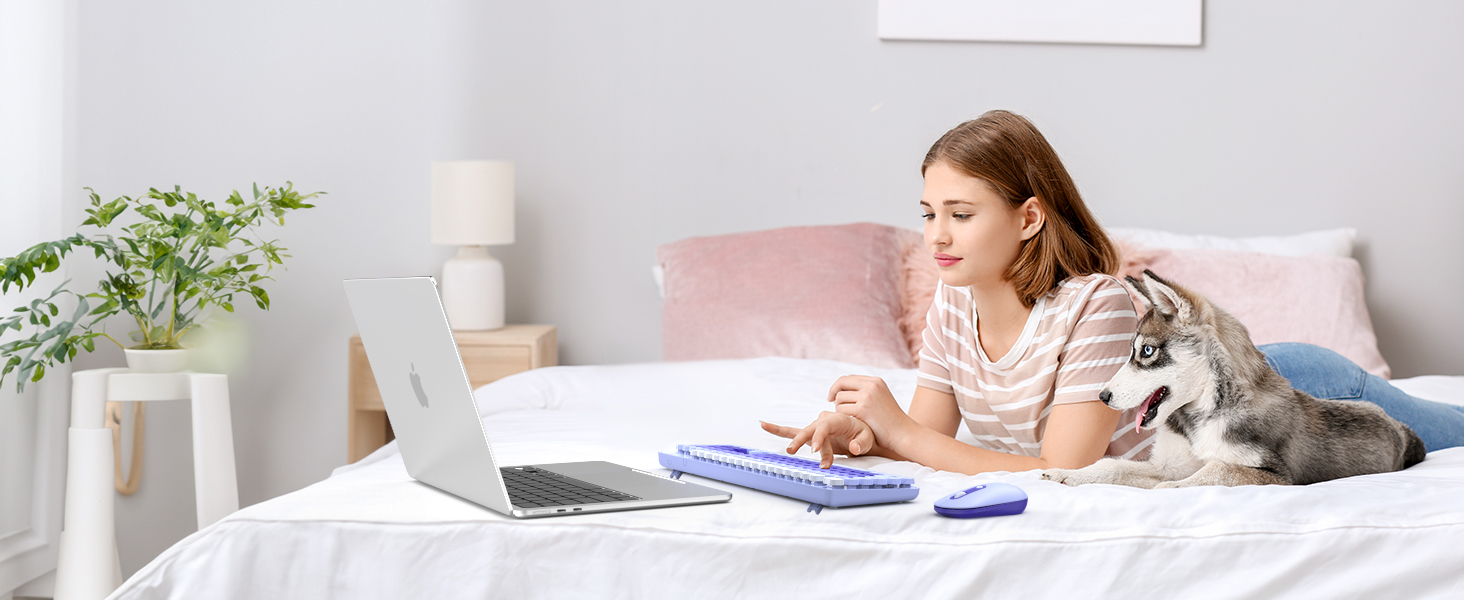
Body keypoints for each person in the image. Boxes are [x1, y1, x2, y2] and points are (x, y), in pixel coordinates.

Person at [761, 110, 1464, 475]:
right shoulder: (955, 300)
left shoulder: (1096, 306)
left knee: (1452, 430)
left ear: (1029, 217)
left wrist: (903, 431)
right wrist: (865, 440)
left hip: (1289, 383)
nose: (937, 236)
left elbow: (1062, 469)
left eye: (962, 215)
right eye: (928, 213)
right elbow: (932, 443)